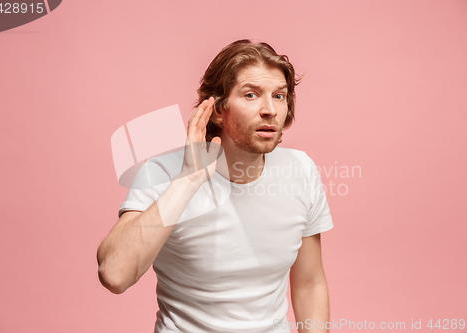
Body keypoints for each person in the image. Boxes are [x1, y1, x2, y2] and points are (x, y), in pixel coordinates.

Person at [97, 39, 334, 333]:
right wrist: (187, 181)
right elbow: (114, 274)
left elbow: (310, 283)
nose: (269, 109)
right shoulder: (160, 173)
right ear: (218, 110)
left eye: (279, 96)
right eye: (251, 95)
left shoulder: (301, 170)